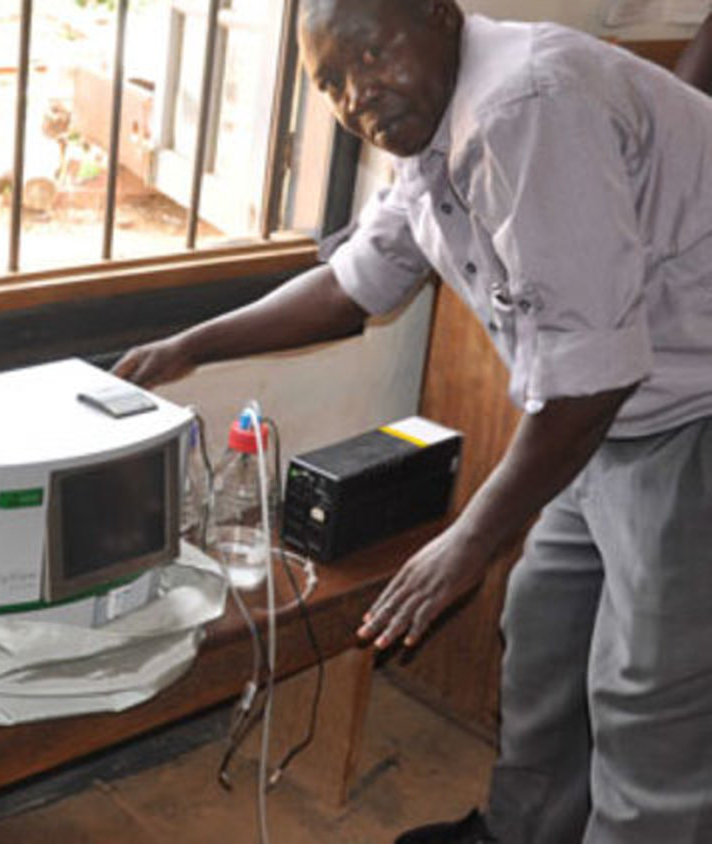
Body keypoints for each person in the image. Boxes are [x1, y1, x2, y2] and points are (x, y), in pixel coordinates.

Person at [115, 1, 712, 841]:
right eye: (330, 83)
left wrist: (467, 539)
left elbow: (587, 382)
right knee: (543, 633)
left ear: (437, 14)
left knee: (652, 693)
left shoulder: (521, 107)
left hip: (687, 413)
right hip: (611, 416)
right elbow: (354, 287)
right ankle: (522, 833)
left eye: (370, 54)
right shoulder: (434, 135)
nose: (357, 94)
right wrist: (193, 343)